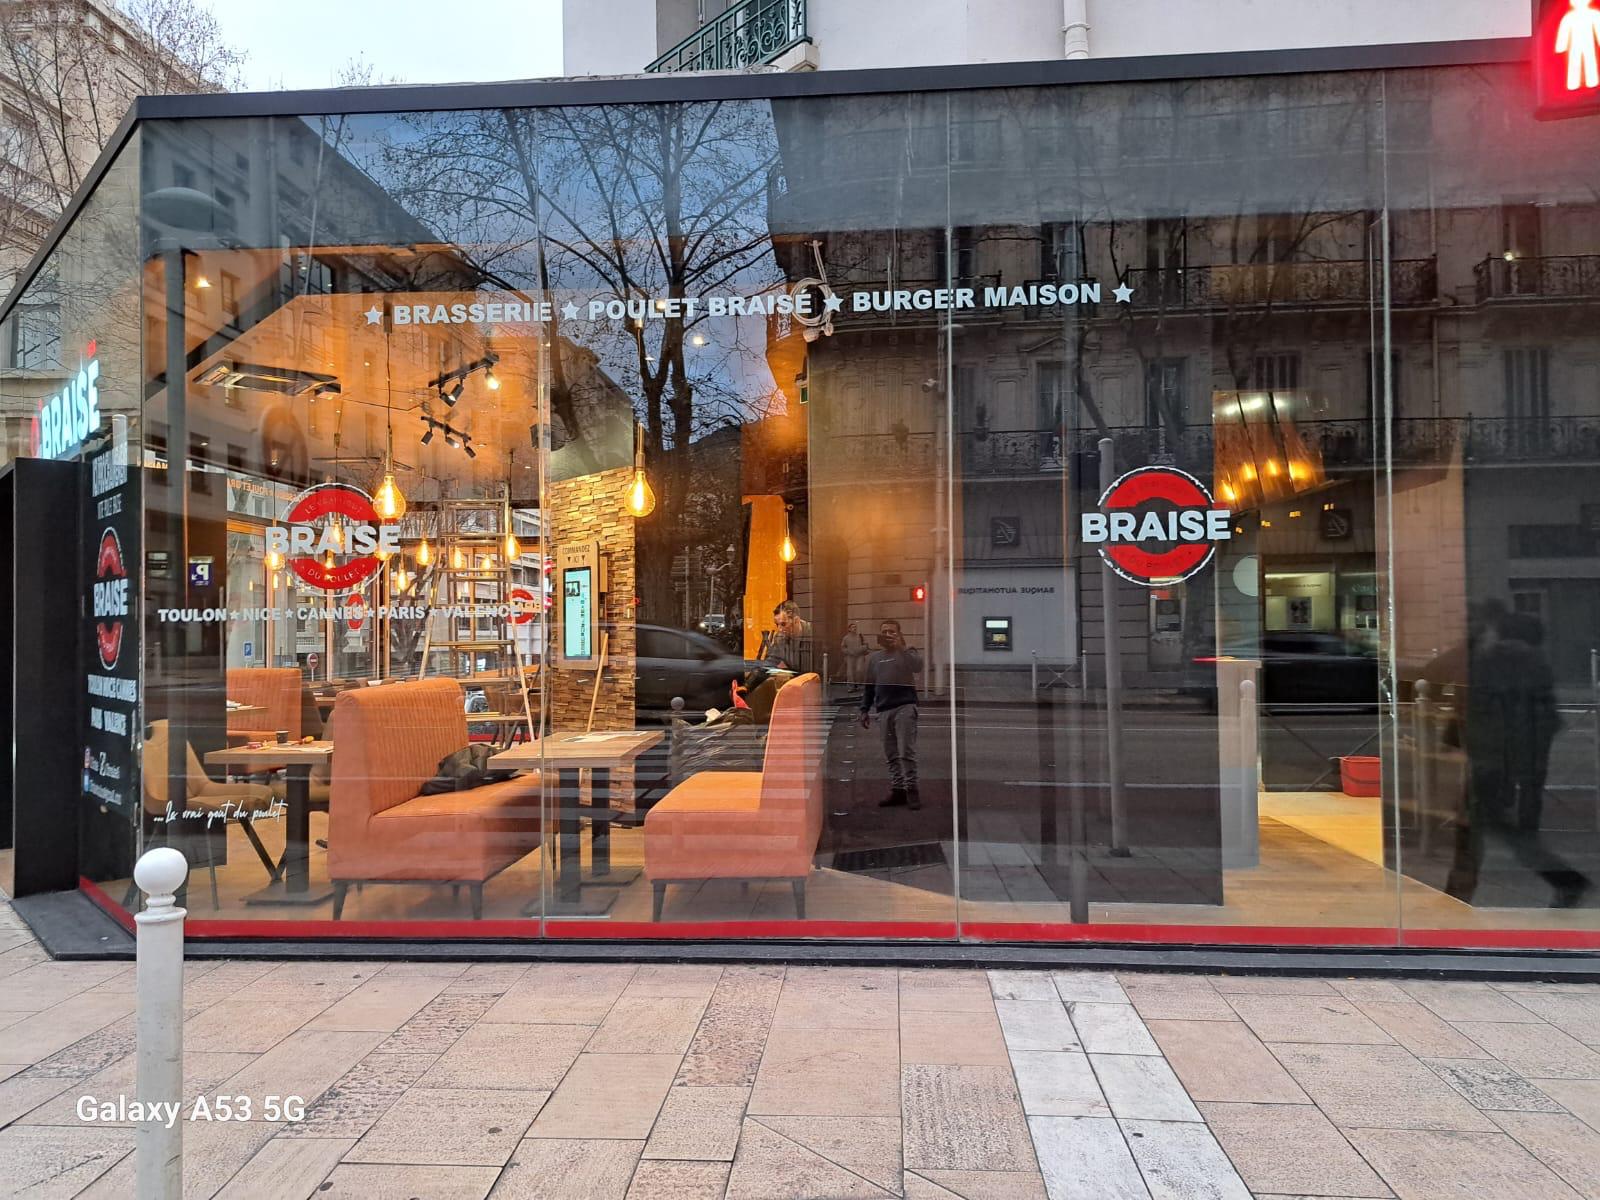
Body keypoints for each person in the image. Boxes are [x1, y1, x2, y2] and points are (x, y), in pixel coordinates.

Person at [860, 619, 923, 809]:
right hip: (883, 709)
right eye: (884, 631)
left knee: (906, 752)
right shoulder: (875, 658)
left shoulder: (907, 652)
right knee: (891, 754)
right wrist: (864, 709)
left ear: (899, 634)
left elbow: (917, 666)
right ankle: (898, 790)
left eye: (892, 632)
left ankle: (912, 791)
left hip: (904, 707)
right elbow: (869, 686)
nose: (887, 635)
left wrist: (900, 647)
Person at [767, 599, 813, 674]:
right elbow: (772, 661)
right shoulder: (779, 637)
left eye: (783, 624)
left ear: (796, 621)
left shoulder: (814, 634)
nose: (779, 629)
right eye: (777, 624)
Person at [841, 623, 869, 688]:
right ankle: (851, 686)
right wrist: (848, 651)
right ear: (849, 629)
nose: (854, 628)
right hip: (850, 656)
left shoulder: (860, 636)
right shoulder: (846, 638)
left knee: (859, 670)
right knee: (850, 672)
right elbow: (843, 647)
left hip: (860, 656)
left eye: (855, 627)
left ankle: (858, 684)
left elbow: (866, 645)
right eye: (853, 627)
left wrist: (860, 649)